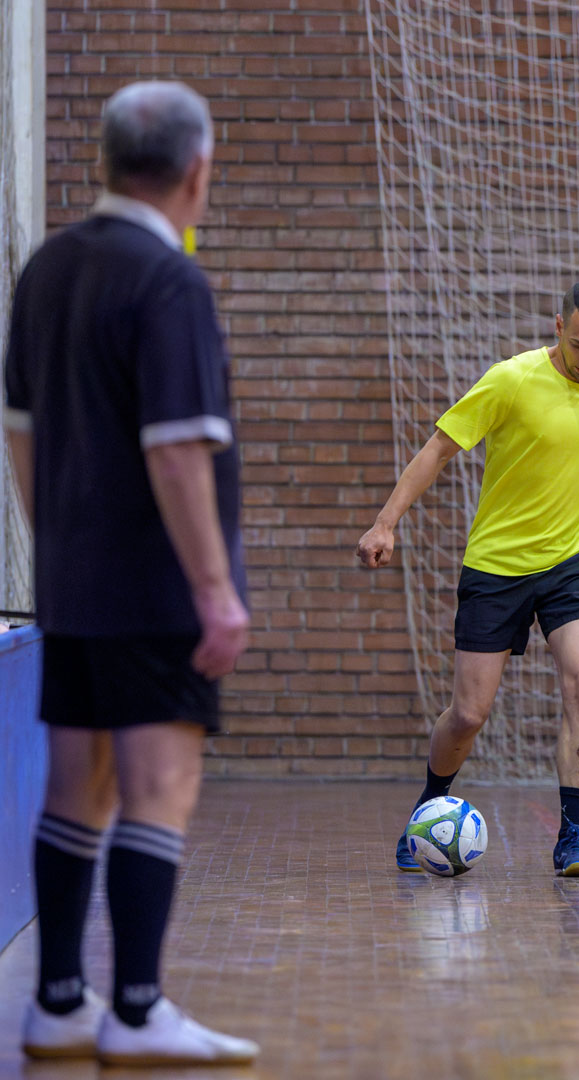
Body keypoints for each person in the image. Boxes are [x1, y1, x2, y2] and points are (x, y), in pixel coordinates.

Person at [3, 81, 258, 1065]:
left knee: (78, 784)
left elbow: (21, 434)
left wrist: (63, 549)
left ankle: (59, 1001)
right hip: (157, 589)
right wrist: (213, 591)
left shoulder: (47, 269)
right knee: (158, 785)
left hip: (76, 582)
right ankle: (140, 1011)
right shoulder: (170, 280)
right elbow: (178, 448)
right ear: (197, 169)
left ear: (104, 160)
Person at [356, 282, 579, 878]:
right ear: (557, 327)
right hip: (497, 565)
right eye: (578, 345)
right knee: (468, 714)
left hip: (572, 559)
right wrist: (386, 523)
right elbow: (438, 450)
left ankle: (572, 838)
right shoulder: (510, 379)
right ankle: (428, 808)